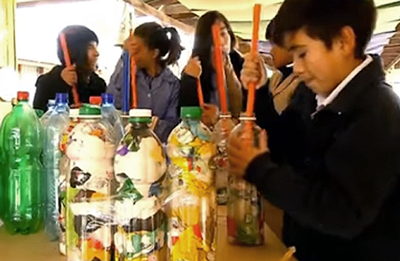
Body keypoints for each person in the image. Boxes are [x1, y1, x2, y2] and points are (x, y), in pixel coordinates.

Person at [228, 0, 400, 260]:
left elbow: (341, 213)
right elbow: (285, 144)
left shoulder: (379, 114)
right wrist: (261, 93)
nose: (296, 67)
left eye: (302, 53)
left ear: (343, 40)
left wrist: (260, 170)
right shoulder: (311, 94)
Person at [107, 22, 183, 142]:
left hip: (156, 149)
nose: (132, 55)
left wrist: (142, 126)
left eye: (136, 51)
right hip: (125, 148)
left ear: (154, 53)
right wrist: (124, 57)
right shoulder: (127, 75)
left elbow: (172, 126)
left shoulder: (172, 85)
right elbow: (111, 105)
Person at [180, 11, 243, 127]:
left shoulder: (242, 66)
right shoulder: (194, 69)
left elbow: (246, 112)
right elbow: (186, 115)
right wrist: (189, 80)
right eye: (213, 37)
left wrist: (219, 117)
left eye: (223, 33)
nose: (220, 42)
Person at [33, 25, 106, 112]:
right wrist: (61, 84)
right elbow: (39, 116)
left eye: (96, 46)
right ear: (74, 51)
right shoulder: (47, 82)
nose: (96, 53)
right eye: (90, 47)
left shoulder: (98, 84)